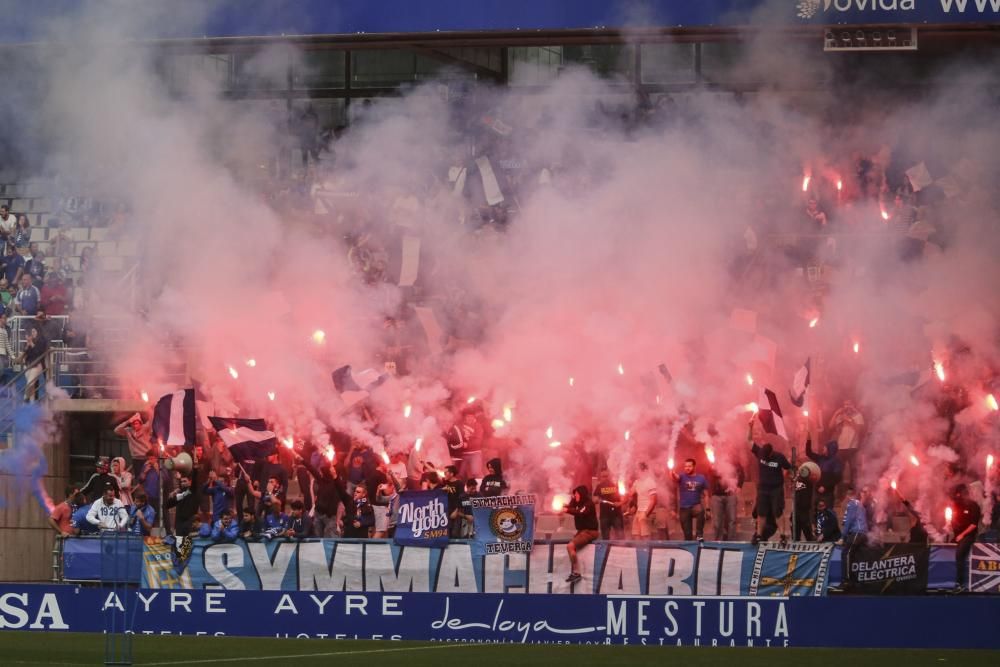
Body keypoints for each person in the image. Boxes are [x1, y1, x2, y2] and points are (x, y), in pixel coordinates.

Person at [748, 420, 792, 544]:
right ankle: (759, 535)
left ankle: (783, 535)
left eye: (768, 457)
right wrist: (750, 428)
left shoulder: (779, 457)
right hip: (763, 488)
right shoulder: (761, 452)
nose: (765, 458)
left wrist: (786, 476)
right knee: (761, 512)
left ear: (772, 452)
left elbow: (789, 468)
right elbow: (749, 442)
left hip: (776, 488)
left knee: (778, 512)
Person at [563, 485, 599, 584]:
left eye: (577, 494)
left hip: (590, 531)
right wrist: (568, 503)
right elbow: (570, 507)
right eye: (574, 494)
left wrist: (567, 510)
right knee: (572, 547)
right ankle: (576, 572)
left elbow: (580, 512)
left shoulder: (588, 503)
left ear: (582, 494)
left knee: (570, 546)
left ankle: (576, 573)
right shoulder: (576, 502)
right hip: (581, 531)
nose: (575, 496)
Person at [950, 484, 982, 591]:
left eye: (960, 494)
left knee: (959, 554)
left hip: (968, 535)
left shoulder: (974, 505)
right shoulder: (956, 505)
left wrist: (962, 535)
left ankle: (960, 583)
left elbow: (973, 525)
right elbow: (953, 519)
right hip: (957, 535)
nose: (958, 497)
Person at [841, 486, 868, 590]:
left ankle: (846, 581)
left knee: (846, 553)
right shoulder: (860, 504)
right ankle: (856, 581)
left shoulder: (852, 503)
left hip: (857, 532)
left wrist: (843, 537)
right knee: (854, 554)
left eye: (848, 494)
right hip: (862, 532)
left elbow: (849, 521)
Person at [674, 458, 709, 541]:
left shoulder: (701, 478)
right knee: (687, 535)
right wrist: (671, 472)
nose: (687, 468)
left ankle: (699, 534)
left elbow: (706, 495)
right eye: (685, 466)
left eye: (689, 466)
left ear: (694, 467)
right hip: (684, 508)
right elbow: (675, 478)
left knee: (700, 511)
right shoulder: (682, 477)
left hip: (695, 505)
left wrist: (708, 508)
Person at [708, 460, 743, 541]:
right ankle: (718, 542)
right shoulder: (714, 461)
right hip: (716, 496)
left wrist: (739, 486)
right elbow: (710, 477)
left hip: (731, 495)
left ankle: (731, 542)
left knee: (732, 520)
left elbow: (741, 473)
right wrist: (712, 468)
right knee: (717, 522)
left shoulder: (734, 461)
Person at [806, 439, 842, 509]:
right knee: (814, 512)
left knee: (827, 513)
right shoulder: (821, 458)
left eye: (825, 447)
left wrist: (825, 486)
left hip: (827, 494)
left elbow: (837, 477)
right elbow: (809, 453)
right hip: (816, 491)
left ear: (830, 449)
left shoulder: (836, 462)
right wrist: (809, 440)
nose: (823, 448)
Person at [15, 324, 47, 401]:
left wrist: (31, 344)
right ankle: (32, 404)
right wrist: (27, 344)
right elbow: (25, 352)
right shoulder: (30, 341)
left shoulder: (42, 341)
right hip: (28, 365)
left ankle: (25, 400)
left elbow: (38, 353)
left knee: (30, 383)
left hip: (37, 365)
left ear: (38, 332)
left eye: (34, 331)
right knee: (31, 386)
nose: (32, 333)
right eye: (32, 331)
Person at [165, 471, 199, 536]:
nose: (183, 483)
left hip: (189, 523)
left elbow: (195, 481)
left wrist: (195, 468)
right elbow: (168, 505)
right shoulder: (179, 493)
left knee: (187, 545)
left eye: (185, 481)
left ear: (189, 482)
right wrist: (171, 496)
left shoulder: (192, 491)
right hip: (179, 524)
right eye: (181, 482)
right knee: (179, 544)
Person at [593, 470, 624, 540]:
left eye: (606, 476)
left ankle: (621, 550)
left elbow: (624, 497)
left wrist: (620, 503)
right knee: (605, 537)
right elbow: (594, 499)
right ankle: (607, 550)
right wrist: (597, 500)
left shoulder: (616, 485)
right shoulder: (599, 486)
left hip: (616, 515)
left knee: (620, 537)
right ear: (601, 477)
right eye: (603, 477)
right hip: (604, 516)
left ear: (609, 476)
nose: (605, 478)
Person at [630, 462, 658, 540]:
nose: (636, 472)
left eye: (637, 470)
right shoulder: (637, 482)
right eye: (636, 470)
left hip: (647, 511)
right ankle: (638, 550)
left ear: (644, 471)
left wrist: (646, 514)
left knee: (646, 535)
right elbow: (630, 493)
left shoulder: (650, 482)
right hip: (639, 511)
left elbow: (654, 500)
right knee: (636, 534)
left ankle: (646, 550)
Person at [792, 466, 816, 541]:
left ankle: (811, 544)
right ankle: (796, 545)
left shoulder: (809, 482)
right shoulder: (796, 481)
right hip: (796, 509)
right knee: (795, 533)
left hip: (804, 510)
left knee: (807, 532)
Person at [441, 465, 465, 538]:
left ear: (451, 473)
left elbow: (461, 498)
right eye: (444, 472)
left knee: (455, 533)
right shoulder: (445, 482)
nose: (444, 474)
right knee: (447, 532)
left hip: (456, 509)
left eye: (446, 472)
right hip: (447, 509)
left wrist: (456, 511)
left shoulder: (459, 483)